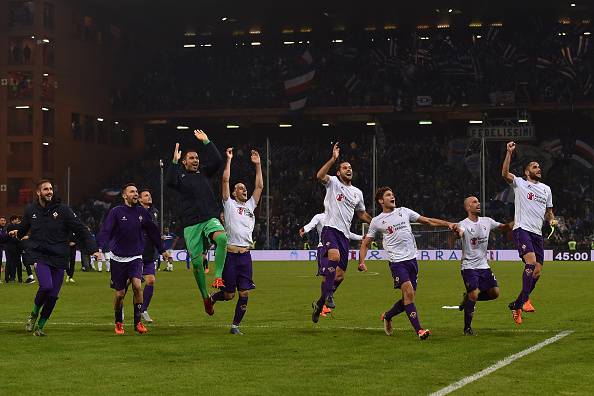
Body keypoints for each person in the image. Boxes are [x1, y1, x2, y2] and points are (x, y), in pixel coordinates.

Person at [359, 187, 456, 340]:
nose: (392, 196)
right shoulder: (377, 221)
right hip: (397, 262)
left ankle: (388, 316)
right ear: (380, 200)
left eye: (392, 194)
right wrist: (362, 261)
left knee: (408, 299)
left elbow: (428, 221)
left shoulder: (404, 211)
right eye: (388, 195)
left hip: (412, 260)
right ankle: (419, 330)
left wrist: (448, 224)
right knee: (409, 294)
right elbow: (365, 244)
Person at [11, 180, 100, 336]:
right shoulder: (31, 210)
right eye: (46, 189)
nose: (49, 191)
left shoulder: (63, 210)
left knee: (53, 296)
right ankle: (33, 314)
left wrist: (93, 249)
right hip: (41, 255)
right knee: (46, 287)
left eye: (51, 188)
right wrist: (16, 233)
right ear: (38, 192)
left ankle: (40, 326)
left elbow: (81, 229)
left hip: (59, 257)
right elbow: (23, 228)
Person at [166, 129, 228, 315]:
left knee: (223, 239)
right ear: (184, 161)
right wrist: (174, 161)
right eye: (192, 158)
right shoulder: (179, 176)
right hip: (191, 223)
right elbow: (169, 181)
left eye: (197, 158)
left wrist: (207, 141)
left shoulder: (204, 173)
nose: (196, 160)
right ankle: (205, 296)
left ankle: (218, 277)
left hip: (209, 217)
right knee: (197, 264)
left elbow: (217, 161)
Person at [97, 183, 169, 335]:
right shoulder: (116, 212)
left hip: (136, 257)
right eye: (132, 192)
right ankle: (118, 321)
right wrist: (99, 249)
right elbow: (106, 230)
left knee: (137, 286)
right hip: (117, 259)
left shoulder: (142, 212)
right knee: (120, 294)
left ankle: (138, 322)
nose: (135, 194)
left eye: (137, 191)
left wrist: (163, 250)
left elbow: (153, 232)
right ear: (124, 195)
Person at [312, 142, 372, 323]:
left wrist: (374, 221)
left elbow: (361, 213)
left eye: (350, 167)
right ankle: (328, 295)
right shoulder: (333, 183)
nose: (348, 169)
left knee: (340, 275)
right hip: (331, 229)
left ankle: (320, 303)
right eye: (345, 167)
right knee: (335, 257)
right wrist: (333, 159)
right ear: (338, 172)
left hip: (344, 235)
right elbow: (319, 175)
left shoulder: (357, 193)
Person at [209, 147, 263, 334]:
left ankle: (235, 326)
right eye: (239, 188)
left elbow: (259, 187)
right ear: (233, 193)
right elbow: (225, 180)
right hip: (230, 256)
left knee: (244, 293)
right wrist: (229, 160)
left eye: (244, 187)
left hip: (245, 256)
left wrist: (258, 165)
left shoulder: (250, 206)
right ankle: (214, 298)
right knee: (229, 295)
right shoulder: (229, 204)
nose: (244, 189)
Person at [502, 141, 556, 325]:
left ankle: (517, 304)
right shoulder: (520, 184)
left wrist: (552, 219)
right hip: (522, 229)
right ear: (527, 172)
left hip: (537, 233)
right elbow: (504, 174)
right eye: (535, 166)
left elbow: (549, 211)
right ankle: (524, 300)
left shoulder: (546, 189)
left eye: (539, 166)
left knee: (538, 272)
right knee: (531, 262)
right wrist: (509, 153)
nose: (538, 168)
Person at [454, 196, 512, 335]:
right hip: (469, 266)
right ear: (468, 207)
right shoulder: (463, 224)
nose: (478, 203)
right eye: (474, 202)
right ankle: (467, 328)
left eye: (478, 201)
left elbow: (503, 227)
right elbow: (459, 233)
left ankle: (468, 298)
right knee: (474, 294)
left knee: (494, 293)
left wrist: (515, 223)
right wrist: (457, 232)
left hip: (484, 265)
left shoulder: (487, 221)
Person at [299, 212, 363, 316]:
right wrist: (304, 229)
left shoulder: (340, 218)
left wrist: (361, 237)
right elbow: (311, 224)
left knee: (339, 276)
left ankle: (320, 303)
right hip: (323, 247)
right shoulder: (319, 216)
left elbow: (347, 233)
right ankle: (324, 305)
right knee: (327, 275)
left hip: (338, 247)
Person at [138, 188, 160, 323]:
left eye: (150, 195)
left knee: (150, 281)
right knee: (129, 284)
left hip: (150, 253)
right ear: (140, 199)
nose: (149, 197)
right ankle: (120, 308)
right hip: (136, 253)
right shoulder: (135, 212)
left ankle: (143, 310)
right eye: (146, 195)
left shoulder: (154, 212)